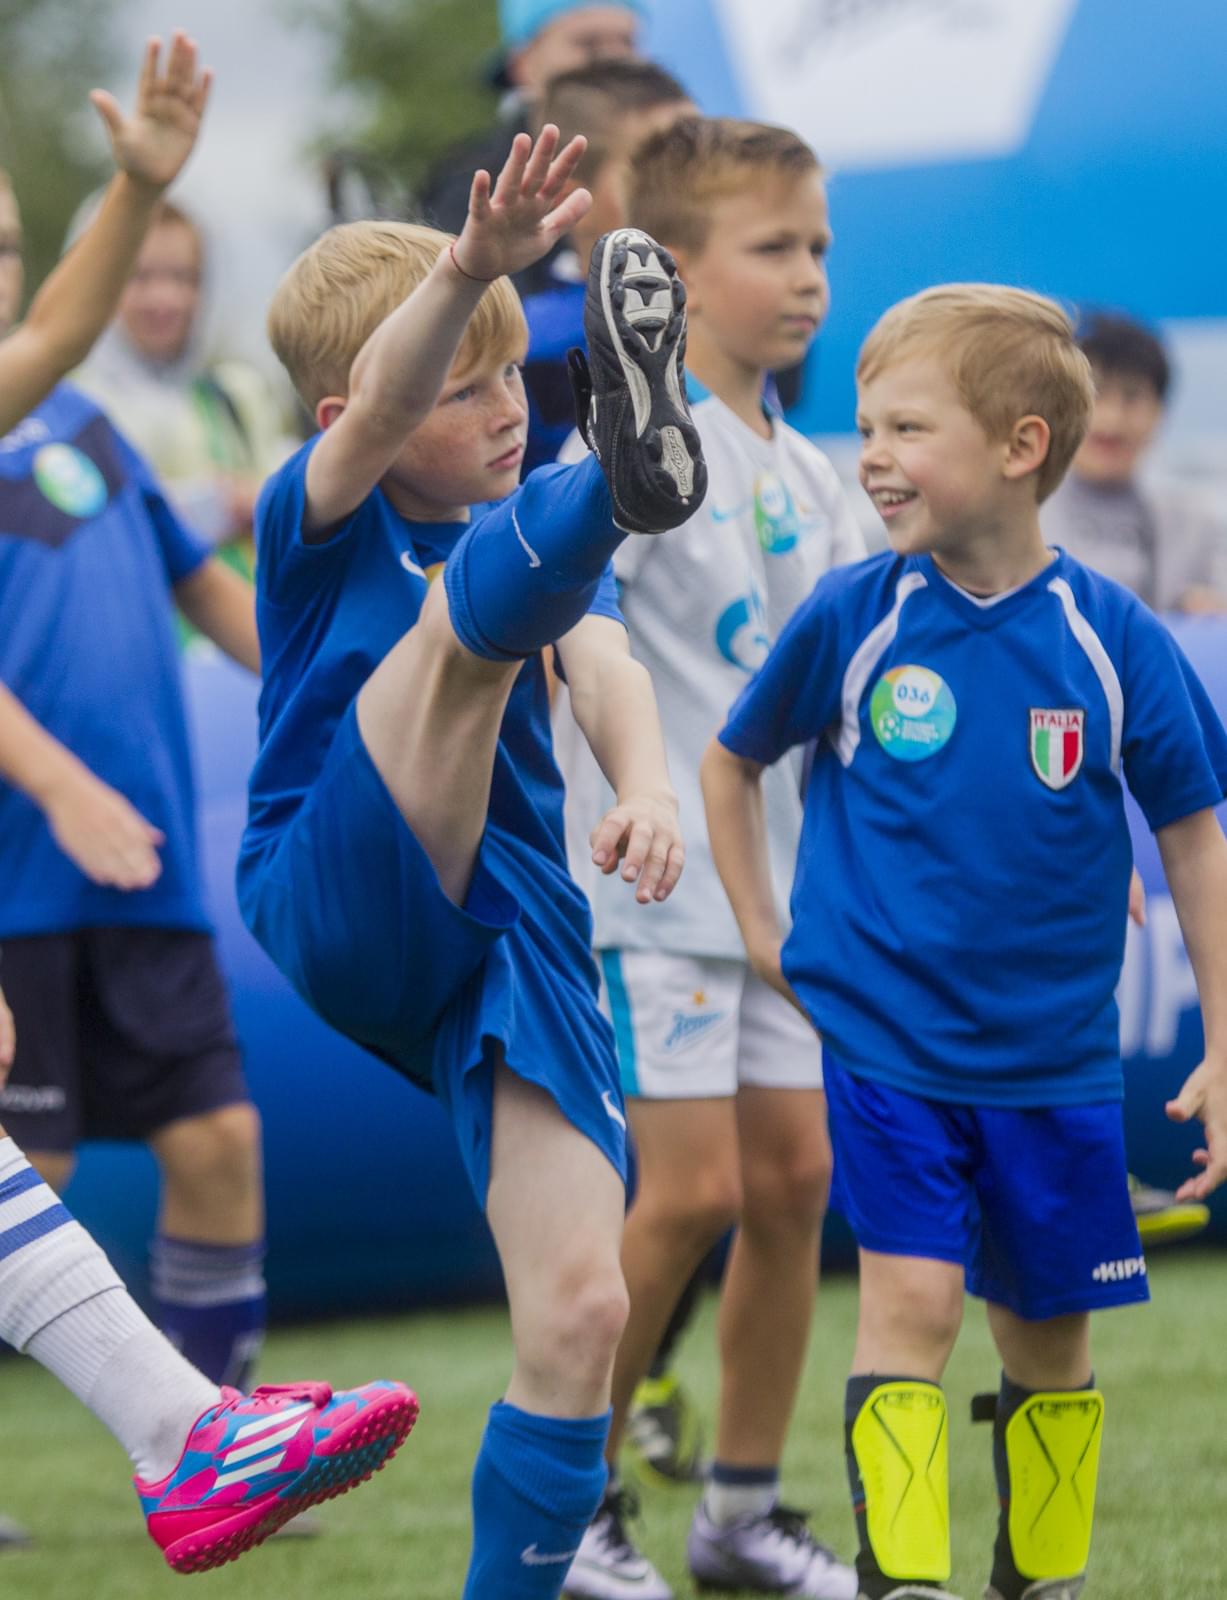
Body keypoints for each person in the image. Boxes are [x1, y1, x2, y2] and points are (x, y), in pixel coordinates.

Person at [236, 123, 707, 1600]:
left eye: (519, 372)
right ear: (351, 411)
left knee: (580, 1308)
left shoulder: (520, 542)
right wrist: (461, 268)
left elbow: (610, 660)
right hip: (331, 878)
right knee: (463, 634)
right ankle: (625, 481)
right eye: (469, 383)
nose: (507, 403)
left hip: (503, 928)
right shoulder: (313, 516)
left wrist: (644, 789)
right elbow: (378, 411)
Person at [702, 282, 1227, 1600]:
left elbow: (1194, 845)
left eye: (903, 428)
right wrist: (765, 931)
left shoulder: (1111, 642)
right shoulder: (851, 615)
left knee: (1047, 1339)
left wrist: (1222, 1041)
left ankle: (1033, 1582)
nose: (868, 456)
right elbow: (726, 764)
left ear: (1018, 447)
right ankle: (905, 1585)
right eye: (862, 426)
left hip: (1053, 1062)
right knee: (913, 1306)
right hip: (887, 1048)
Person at [0, 34, 416, 1571]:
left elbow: (233, 604)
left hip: (144, 879)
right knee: (21, 1165)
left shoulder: (88, 435)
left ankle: (211, 1437)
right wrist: (54, 783)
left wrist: (379, 711)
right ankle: (197, 1440)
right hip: (27, 872)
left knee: (205, 1141)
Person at [556, 116, 861, 1600]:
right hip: (654, 893)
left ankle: (736, 1513)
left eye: (817, 247)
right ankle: (572, 1505)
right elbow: (565, 611)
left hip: (783, 903)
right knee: (681, 1195)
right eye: (771, 248)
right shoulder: (624, 435)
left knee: (794, 1178)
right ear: (666, 272)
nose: (807, 277)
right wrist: (641, 786)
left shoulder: (814, 468)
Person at [74, 197, 294, 560]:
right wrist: (214, 504)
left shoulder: (234, 392)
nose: (165, 298)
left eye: (184, 277)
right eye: (139, 277)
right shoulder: (74, 398)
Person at [519, 58, 693, 474]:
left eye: (703, 165)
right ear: (569, 195)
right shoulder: (534, 343)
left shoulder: (722, 300)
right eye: (660, 170)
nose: (695, 190)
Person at [420, 0, 647, 265]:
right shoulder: (472, 185)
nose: (616, 61)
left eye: (627, 42)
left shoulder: (664, 154)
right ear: (523, 64)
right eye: (588, 44)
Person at [1042, 312, 1227, 615]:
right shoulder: (1020, 518)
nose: (1112, 420)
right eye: (1095, 394)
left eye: (1132, 397)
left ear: (1160, 412)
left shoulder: (1198, 528)